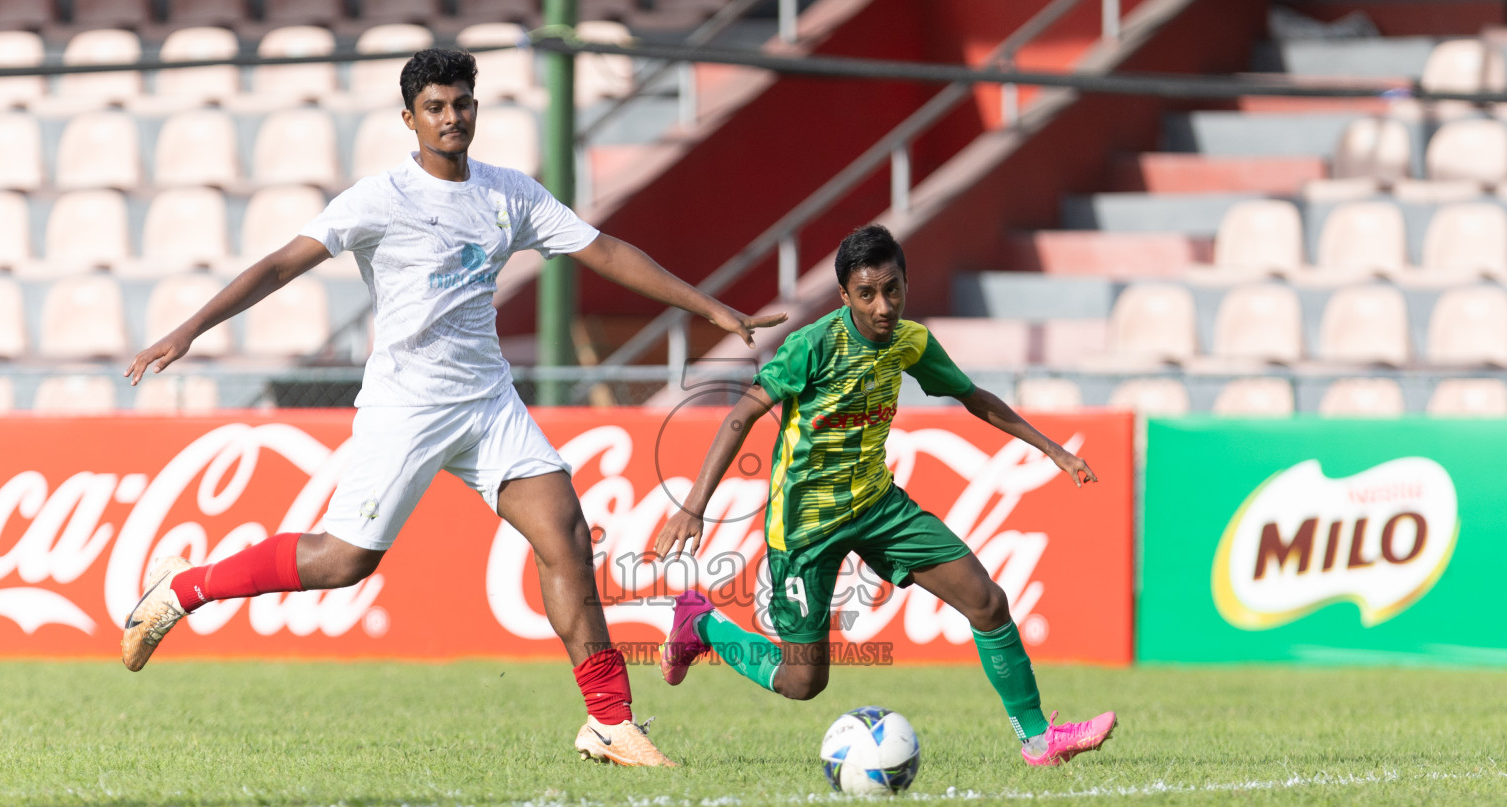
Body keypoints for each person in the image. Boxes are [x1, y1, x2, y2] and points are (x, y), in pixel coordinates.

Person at [120, 48, 786, 769]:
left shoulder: (509, 193)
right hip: (406, 407)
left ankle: (609, 719)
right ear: (409, 119)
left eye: (461, 103)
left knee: (565, 533)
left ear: (475, 108)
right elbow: (283, 264)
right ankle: (183, 588)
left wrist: (708, 308)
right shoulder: (379, 199)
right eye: (435, 107)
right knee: (344, 563)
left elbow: (606, 251)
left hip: (489, 402)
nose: (451, 118)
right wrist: (190, 328)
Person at [653, 224, 1114, 766]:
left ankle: (1039, 740)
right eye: (867, 294)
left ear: (905, 284)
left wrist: (1052, 449)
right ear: (845, 296)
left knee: (987, 602)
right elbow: (740, 415)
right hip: (804, 527)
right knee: (804, 682)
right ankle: (700, 621)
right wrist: (693, 506)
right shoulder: (813, 346)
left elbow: (973, 397)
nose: (883, 306)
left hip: (877, 506)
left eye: (892, 289)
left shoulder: (910, 341)